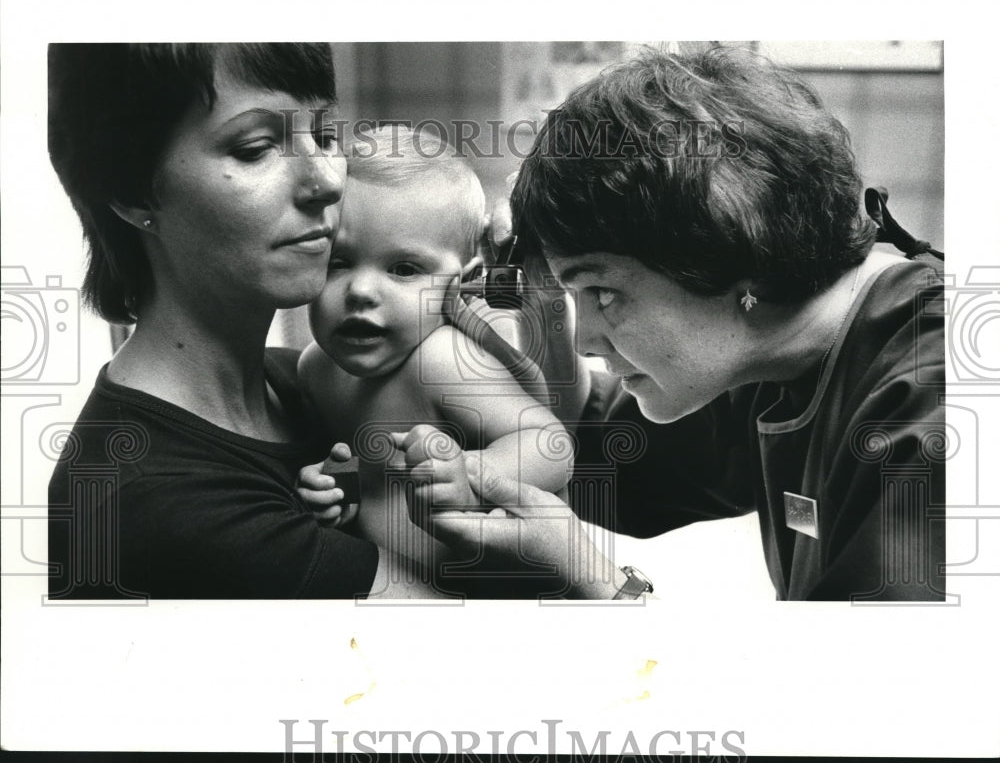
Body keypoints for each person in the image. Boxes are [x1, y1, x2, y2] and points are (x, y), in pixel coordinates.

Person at [394, 47, 946, 602]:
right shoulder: (772, 343)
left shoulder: (937, 401)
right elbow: (614, 462)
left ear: (736, 250)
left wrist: (604, 587)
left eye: (604, 293)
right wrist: (541, 298)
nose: (585, 342)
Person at [46, 43, 393, 598]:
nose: (326, 180)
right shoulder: (157, 498)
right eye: (255, 148)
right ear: (132, 193)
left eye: (327, 135)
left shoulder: (300, 378)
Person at [296, 127, 573, 598]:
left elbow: (550, 444)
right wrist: (332, 494)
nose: (361, 291)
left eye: (403, 269)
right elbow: (371, 481)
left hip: (506, 593)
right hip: (407, 596)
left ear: (459, 283)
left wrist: (472, 475)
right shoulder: (315, 369)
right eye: (338, 263)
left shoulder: (444, 359)